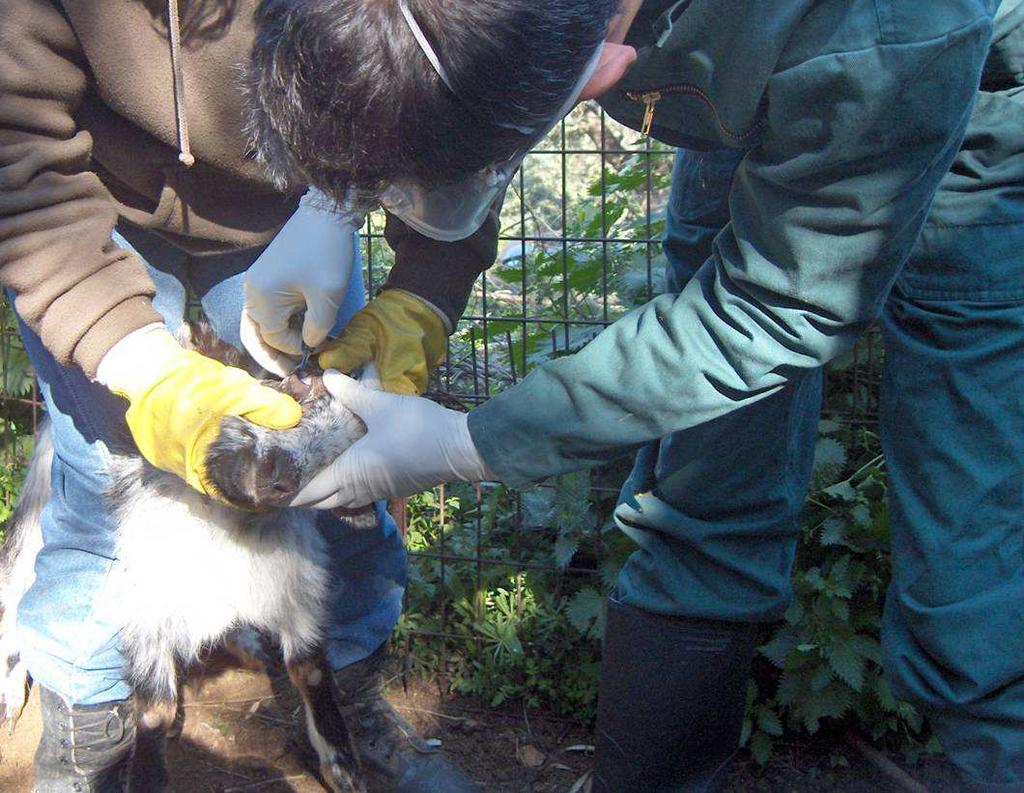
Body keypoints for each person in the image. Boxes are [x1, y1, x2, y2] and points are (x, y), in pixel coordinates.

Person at [291, 0, 1024, 790]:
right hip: (724, 86)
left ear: (604, 63)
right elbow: (479, 85)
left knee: (967, 512)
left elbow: (774, 309)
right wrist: (374, 251)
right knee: (707, 474)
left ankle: (994, 746)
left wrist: (473, 443)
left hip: (942, 82)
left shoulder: (888, 22)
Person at [0, 1, 627, 790]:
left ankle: (348, 705)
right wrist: (139, 365)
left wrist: (414, 289)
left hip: (289, 207)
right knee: (96, 477)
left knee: (349, 445)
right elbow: (14, 139)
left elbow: (467, 116)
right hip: (89, 208)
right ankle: (95, 729)